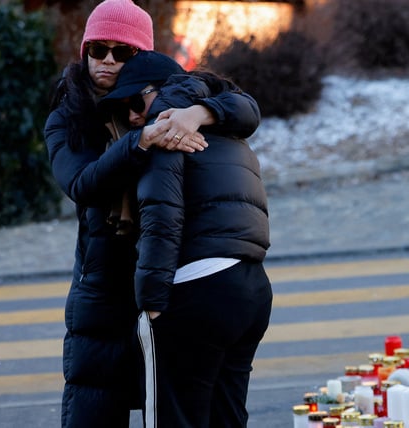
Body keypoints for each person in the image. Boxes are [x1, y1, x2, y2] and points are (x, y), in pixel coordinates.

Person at [43, 1, 261, 426]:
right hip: (106, 283)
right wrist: (143, 140)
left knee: (184, 407)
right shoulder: (68, 117)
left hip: (167, 280)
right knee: (95, 408)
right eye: (97, 49)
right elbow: (83, 184)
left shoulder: (162, 97)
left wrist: (199, 113)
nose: (107, 61)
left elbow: (246, 108)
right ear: (84, 50)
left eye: (121, 52)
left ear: (140, 56)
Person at [100, 51, 271, 428]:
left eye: (135, 101)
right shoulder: (222, 122)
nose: (131, 116)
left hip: (195, 291)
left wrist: (151, 305)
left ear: (158, 92)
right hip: (251, 287)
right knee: (226, 417)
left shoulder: (168, 131)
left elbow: (161, 217)